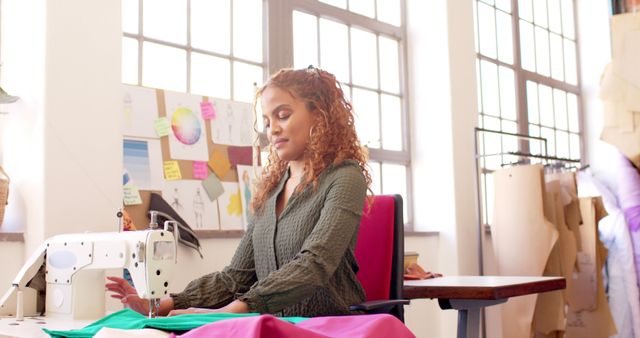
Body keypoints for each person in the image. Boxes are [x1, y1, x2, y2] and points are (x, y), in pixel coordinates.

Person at [106, 66, 373, 317]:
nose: (273, 129)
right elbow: (235, 277)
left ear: (319, 114)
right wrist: (164, 304)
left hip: (329, 327)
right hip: (273, 327)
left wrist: (228, 313)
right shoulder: (271, 189)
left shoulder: (345, 177)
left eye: (283, 115)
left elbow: (315, 264)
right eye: (267, 122)